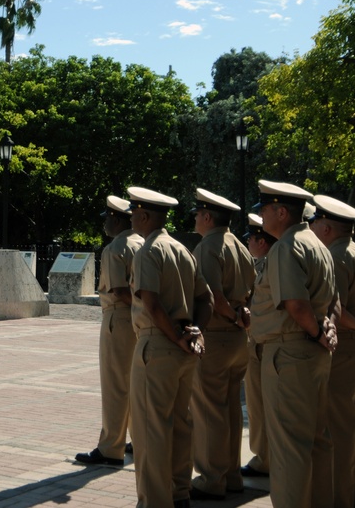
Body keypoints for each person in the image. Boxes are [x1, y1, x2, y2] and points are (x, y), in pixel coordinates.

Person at [251, 180, 338, 508]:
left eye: (264, 208)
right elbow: (333, 301)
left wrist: (316, 331)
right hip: (311, 353)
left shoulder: (287, 247)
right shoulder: (316, 244)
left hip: (288, 352)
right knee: (316, 442)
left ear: (281, 211)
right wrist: (323, 329)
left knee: (288, 449)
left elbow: (296, 305)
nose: (260, 215)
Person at [127, 186, 213, 508]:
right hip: (184, 351)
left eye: (134, 212)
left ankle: (154, 501)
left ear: (144, 215)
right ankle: (179, 494)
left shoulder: (149, 251)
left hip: (158, 344)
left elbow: (150, 301)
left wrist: (177, 334)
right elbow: (207, 299)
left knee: (150, 431)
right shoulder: (183, 250)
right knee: (179, 424)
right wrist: (195, 331)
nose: (131, 217)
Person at [188, 188, 255, 500]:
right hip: (239, 338)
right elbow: (251, 289)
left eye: (197, 215)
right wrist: (241, 316)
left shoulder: (208, 246)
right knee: (229, 408)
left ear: (206, 216)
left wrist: (231, 316)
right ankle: (231, 476)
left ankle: (211, 479)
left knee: (209, 410)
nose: (196, 221)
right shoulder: (240, 246)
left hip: (216, 334)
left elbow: (213, 295)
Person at [76, 195, 142, 467]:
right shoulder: (143, 243)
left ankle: (110, 447)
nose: (104, 222)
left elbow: (121, 291)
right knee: (136, 384)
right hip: (141, 321)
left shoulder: (116, 248)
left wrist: (137, 308)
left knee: (116, 384)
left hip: (120, 318)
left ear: (116, 219)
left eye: (107, 217)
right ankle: (137, 441)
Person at [308, 194, 355, 508]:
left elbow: (337, 311)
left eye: (314, 223)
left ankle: (341, 497)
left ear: (326, 229)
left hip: (344, 350)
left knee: (338, 429)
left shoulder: (337, 257)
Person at [241, 213, 273, 479]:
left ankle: (265, 459)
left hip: (266, 345)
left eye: (251, 238)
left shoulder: (271, 264)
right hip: (264, 343)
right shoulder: (265, 263)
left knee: (261, 406)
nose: (248, 243)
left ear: (261, 242)